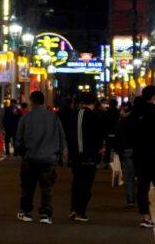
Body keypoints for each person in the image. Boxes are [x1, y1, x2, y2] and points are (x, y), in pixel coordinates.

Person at [15, 90, 66, 224]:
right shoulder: (54, 118)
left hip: (31, 157)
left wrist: (21, 152)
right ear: (44, 101)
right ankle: (45, 214)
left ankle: (26, 212)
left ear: (31, 101)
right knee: (47, 188)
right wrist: (59, 155)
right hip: (49, 158)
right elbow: (62, 138)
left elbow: (18, 139)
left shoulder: (26, 117)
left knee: (28, 186)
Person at [130, 86, 155, 228]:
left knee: (142, 186)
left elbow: (127, 133)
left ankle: (145, 217)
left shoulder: (134, 113)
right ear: (153, 97)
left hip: (139, 155)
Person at [68, 93, 106, 222]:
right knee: (86, 185)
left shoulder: (73, 115)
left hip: (75, 156)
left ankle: (73, 208)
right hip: (90, 156)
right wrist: (99, 150)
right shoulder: (96, 116)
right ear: (94, 103)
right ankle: (81, 211)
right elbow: (99, 136)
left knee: (76, 182)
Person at [114, 102, 137, 207]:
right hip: (142, 151)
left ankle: (130, 199)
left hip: (127, 150)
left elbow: (118, 136)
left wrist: (117, 151)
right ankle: (143, 198)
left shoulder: (123, 120)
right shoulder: (141, 119)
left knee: (129, 177)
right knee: (143, 177)